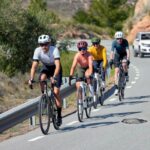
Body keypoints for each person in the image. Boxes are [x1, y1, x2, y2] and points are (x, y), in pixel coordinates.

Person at [28, 34, 63, 126]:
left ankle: (59, 115)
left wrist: (54, 77)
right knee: (42, 78)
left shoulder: (54, 50)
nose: (44, 46)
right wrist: (31, 79)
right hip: (46, 68)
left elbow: (58, 65)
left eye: (46, 44)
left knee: (56, 92)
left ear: (49, 43)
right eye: (41, 44)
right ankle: (44, 96)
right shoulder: (37, 51)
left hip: (56, 69)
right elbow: (34, 67)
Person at [109, 31, 130, 95]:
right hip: (117, 55)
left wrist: (128, 59)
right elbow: (112, 52)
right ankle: (116, 88)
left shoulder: (125, 41)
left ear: (122, 38)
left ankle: (126, 74)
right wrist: (111, 59)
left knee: (124, 64)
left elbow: (128, 51)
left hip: (124, 54)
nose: (119, 40)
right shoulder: (114, 42)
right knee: (116, 71)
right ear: (116, 39)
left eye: (120, 38)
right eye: (118, 39)